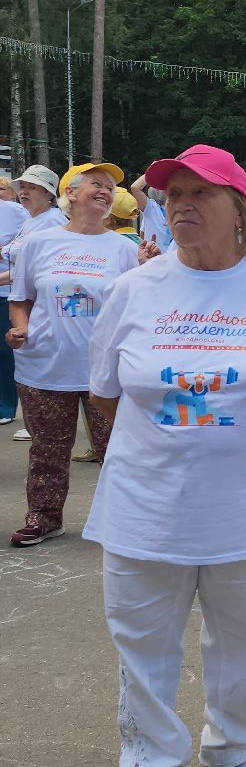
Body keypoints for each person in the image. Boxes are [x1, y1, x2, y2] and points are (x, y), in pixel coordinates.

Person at [84, 143, 246, 767]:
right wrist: (175, 443)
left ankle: (232, 752)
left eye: (200, 194)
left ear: (240, 208)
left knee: (244, 639)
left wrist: (233, 442)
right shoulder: (135, 290)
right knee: (147, 648)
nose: (180, 206)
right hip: (147, 508)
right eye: (171, 195)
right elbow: (104, 395)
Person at [7, 163, 140, 546]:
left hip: (106, 371)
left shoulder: (122, 248)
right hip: (44, 366)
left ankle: (125, 520)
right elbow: (21, 300)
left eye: (111, 187)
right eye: (96, 184)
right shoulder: (38, 243)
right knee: (47, 451)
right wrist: (21, 329)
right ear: (71, 193)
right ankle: (44, 519)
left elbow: (135, 306)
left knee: (117, 450)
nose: (105, 191)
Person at [1, 165, 69, 439]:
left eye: (31, 187)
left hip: (40, 302)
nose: (24, 192)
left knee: (38, 357)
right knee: (26, 355)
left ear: (49, 194)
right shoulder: (32, 220)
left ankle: (43, 425)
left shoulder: (52, 221)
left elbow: (40, 268)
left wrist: (2, 279)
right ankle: (39, 422)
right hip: (24, 298)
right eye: (22, 188)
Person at [0, 179, 29, 429]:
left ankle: (6, 406)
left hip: (6, 290)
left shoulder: (15, 212)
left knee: (4, 350)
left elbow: (26, 250)